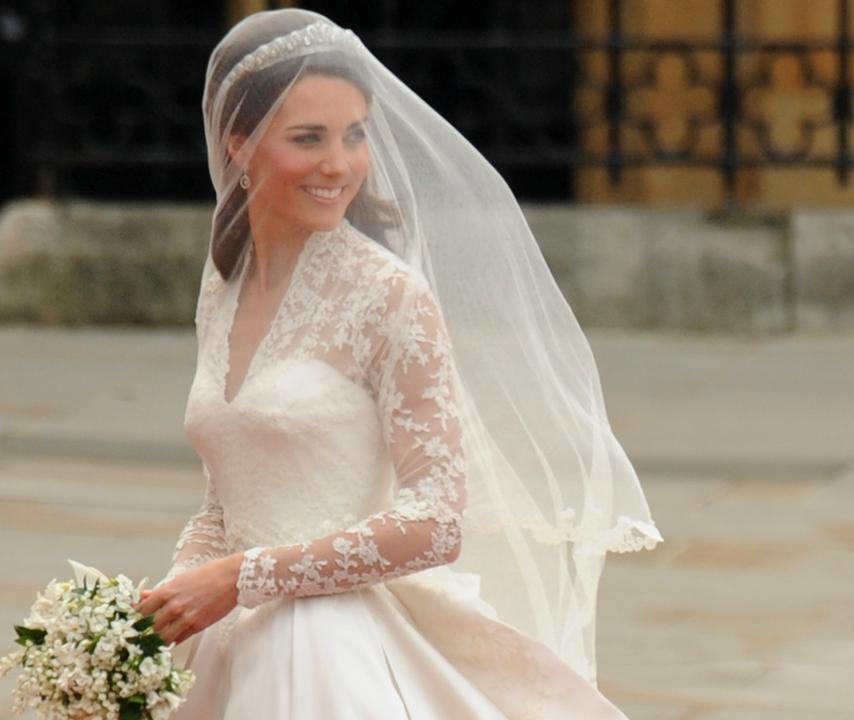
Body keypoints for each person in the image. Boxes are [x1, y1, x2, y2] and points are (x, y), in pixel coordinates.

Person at [131, 9, 662, 718]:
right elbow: (225, 499)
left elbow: (435, 522)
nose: (340, 164)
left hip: (331, 644)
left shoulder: (388, 296)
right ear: (240, 143)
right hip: (226, 632)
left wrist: (244, 577)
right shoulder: (223, 282)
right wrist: (165, 601)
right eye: (308, 138)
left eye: (355, 136)